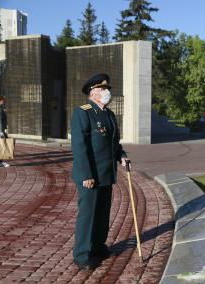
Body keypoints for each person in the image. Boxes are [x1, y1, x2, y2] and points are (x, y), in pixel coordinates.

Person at [71, 73, 129, 270]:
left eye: (108, 89)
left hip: (106, 173)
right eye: (103, 89)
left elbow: (114, 143)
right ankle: (82, 255)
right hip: (90, 175)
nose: (107, 92)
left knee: (102, 214)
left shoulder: (109, 114)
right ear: (93, 92)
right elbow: (80, 147)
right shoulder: (83, 112)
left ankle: (97, 247)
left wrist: (122, 155)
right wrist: (86, 175)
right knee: (88, 215)